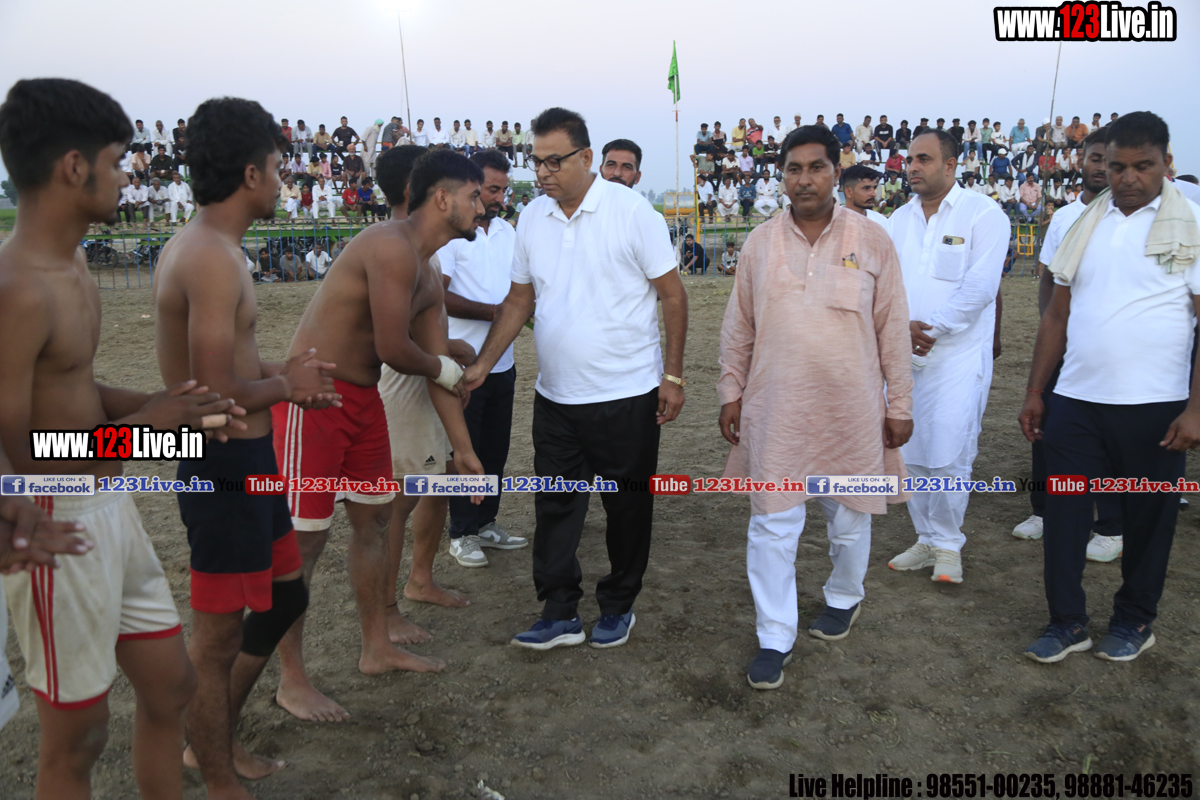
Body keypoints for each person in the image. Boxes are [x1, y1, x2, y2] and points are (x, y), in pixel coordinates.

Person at [0, 77, 243, 800]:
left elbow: (73, 388)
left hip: (112, 507)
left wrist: (169, 407)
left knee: (171, 686)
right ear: (74, 166)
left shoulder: (72, 265)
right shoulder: (17, 288)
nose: (127, 176)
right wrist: (141, 430)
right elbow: (24, 450)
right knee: (77, 739)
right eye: (117, 161)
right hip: (53, 520)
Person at [154, 97, 340, 798]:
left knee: (285, 598)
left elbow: (233, 363)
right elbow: (209, 392)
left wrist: (286, 375)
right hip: (223, 467)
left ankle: (212, 741)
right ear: (251, 173)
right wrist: (286, 386)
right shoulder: (208, 256)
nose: (284, 182)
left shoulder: (213, 247)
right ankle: (215, 769)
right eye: (278, 168)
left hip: (250, 463)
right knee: (216, 641)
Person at [271, 147, 486, 723]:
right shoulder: (388, 245)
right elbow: (398, 349)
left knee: (375, 523)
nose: (482, 205)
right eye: (474, 195)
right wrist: (446, 368)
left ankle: (376, 646)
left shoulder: (428, 272)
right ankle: (291, 679)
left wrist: (464, 452)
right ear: (442, 198)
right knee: (303, 544)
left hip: (364, 402)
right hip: (314, 403)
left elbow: (435, 365)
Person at [461, 107, 688, 651]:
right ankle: (558, 610)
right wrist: (482, 364)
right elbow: (520, 300)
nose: (542, 172)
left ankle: (618, 605)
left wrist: (673, 376)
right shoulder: (532, 218)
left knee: (626, 507)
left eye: (554, 161)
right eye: (536, 162)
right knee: (556, 506)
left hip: (626, 395)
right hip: (556, 397)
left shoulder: (632, 212)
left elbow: (673, 295)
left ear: (586, 157)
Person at [718, 125, 913, 690]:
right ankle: (774, 635)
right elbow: (739, 326)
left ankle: (845, 595)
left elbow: (893, 327)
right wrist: (731, 392)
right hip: (776, 409)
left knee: (848, 519)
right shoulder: (760, 243)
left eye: (816, 167)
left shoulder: (872, 240)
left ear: (836, 172)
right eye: (793, 169)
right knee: (772, 525)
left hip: (851, 411)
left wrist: (899, 402)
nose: (804, 179)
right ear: (781, 176)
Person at [1019, 112, 1200, 663]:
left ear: (1166, 163)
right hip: (1075, 400)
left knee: (1147, 520)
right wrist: (1036, 392)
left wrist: (1196, 409)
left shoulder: (1191, 222)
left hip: (1156, 405)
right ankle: (1067, 622)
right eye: (1118, 166)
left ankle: (1134, 620)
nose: (1127, 178)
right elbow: (1057, 316)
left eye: (1143, 166)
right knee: (1065, 515)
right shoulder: (1084, 223)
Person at [887, 129, 1009, 584]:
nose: (912, 167)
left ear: (951, 165)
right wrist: (901, 330)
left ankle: (948, 544)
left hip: (957, 356)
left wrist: (932, 330)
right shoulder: (898, 219)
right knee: (911, 447)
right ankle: (925, 538)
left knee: (951, 449)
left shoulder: (983, 214)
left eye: (923, 159)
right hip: (903, 352)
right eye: (909, 160)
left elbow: (980, 288)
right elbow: (885, 285)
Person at [1013, 127, 1124, 559]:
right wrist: (1054, 331)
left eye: (1109, 160)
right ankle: (1043, 510)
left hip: (1112, 348)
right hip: (1065, 345)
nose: (1101, 167)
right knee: (1049, 427)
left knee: (1111, 434)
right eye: (1094, 158)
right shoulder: (1063, 218)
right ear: (1082, 161)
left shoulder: (1133, 218)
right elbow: (1048, 281)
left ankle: (1111, 525)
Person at [435, 149, 529, 569]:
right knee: (463, 452)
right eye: (491, 189)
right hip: (462, 367)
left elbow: (521, 292)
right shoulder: (453, 234)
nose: (498, 198)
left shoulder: (509, 232)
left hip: (503, 363)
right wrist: (496, 314)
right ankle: (461, 533)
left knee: (495, 450)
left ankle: (487, 522)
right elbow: (437, 294)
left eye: (503, 190)